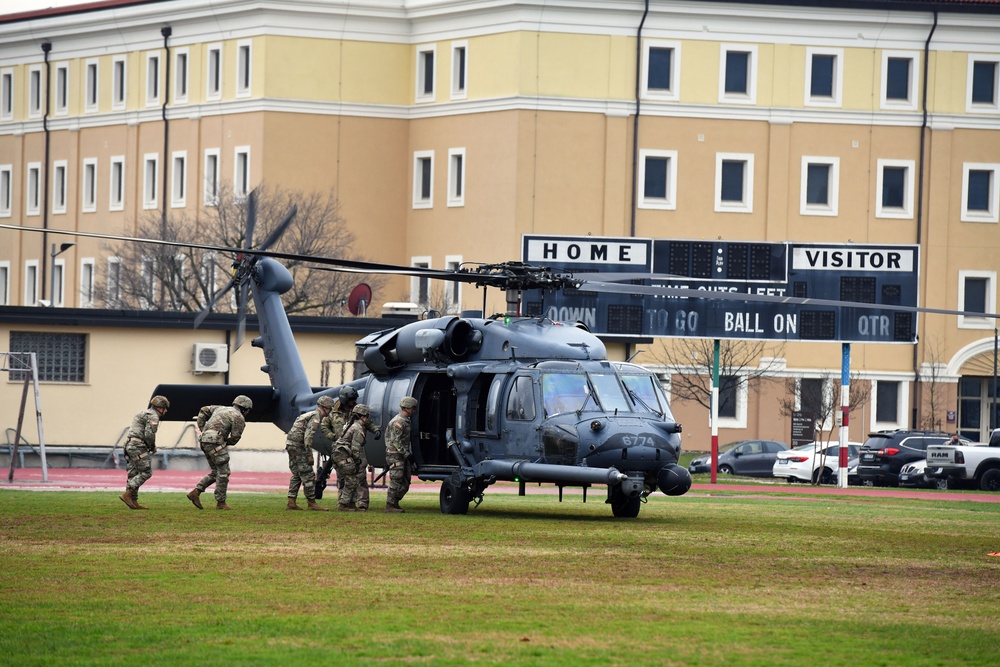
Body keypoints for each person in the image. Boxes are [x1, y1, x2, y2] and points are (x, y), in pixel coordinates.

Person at [187, 395, 251, 510]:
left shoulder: (220, 408)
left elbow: (203, 410)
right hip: (216, 442)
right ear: (245, 409)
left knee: (216, 471)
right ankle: (221, 503)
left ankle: (195, 492)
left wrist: (203, 430)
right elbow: (235, 437)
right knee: (224, 472)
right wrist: (225, 442)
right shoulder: (239, 417)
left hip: (204, 440)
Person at [320, 385, 379, 510]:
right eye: (351, 400)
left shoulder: (357, 411)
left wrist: (375, 431)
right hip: (341, 449)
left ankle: (362, 502)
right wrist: (334, 437)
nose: (353, 402)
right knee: (343, 477)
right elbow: (324, 427)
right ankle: (344, 502)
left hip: (356, 447)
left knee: (360, 475)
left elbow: (368, 423)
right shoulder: (332, 413)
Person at [119, 395, 170, 510]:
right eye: (164, 408)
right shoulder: (153, 416)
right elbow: (149, 434)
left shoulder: (142, 413)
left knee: (134, 473)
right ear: (159, 407)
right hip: (138, 446)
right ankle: (128, 494)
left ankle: (133, 501)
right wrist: (152, 446)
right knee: (146, 472)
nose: (165, 411)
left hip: (129, 445)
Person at [283, 396, 333, 511]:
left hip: (291, 444)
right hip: (298, 446)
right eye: (329, 409)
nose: (330, 412)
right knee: (308, 474)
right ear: (325, 408)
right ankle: (312, 503)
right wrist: (309, 454)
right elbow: (308, 436)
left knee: (296, 474)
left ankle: (291, 502)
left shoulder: (309, 414)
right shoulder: (316, 417)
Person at [331, 403, 375, 511]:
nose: (368, 419)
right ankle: (343, 504)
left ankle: (351, 504)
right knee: (351, 481)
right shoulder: (358, 428)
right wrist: (357, 462)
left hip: (339, 455)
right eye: (367, 417)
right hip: (343, 456)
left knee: (352, 480)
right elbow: (356, 448)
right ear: (362, 416)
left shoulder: (351, 425)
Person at [384, 396, 418, 513]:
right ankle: (390, 505)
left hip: (402, 455)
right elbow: (395, 441)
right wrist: (406, 454)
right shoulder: (398, 422)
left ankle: (395, 502)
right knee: (396, 480)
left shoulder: (406, 421)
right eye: (413, 408)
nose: (414, 411)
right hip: (395, 455)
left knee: (405, 480)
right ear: (407, 408)